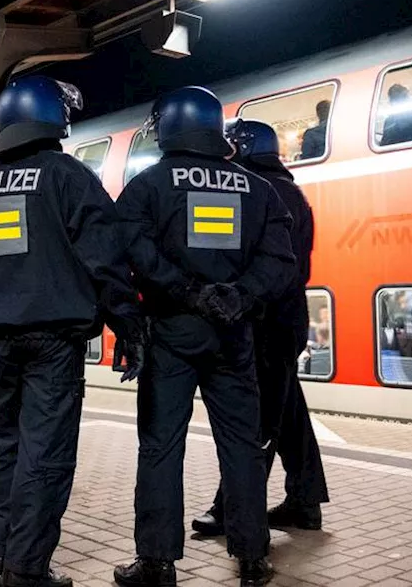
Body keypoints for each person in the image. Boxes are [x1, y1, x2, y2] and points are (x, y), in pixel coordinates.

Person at [0, 75, 146, 587]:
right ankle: (26, 568)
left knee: (7, 449)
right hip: (52, 341)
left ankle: (2, 554)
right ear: (48, 116)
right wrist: (127, 325)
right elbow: (104, 260)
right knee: (46, 454)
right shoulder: (67, 177)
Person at [112, 88, 294, 587]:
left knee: (161, 447)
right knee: (241, 445)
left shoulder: (148, 187)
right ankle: (253, 556)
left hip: (172, 330)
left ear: (169, 127)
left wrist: (185, 290)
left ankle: (156, 561)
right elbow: (280, 260)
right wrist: (240, 296)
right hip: (234, 336)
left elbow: (130, 248)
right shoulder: (258, 189)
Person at [188, 119, 329, 542]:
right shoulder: (289, 190)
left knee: (256, 421)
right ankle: (304, 502)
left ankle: (230, 509)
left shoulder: (260, 192)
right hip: (286, 321)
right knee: (288, 416)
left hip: (266, 323)